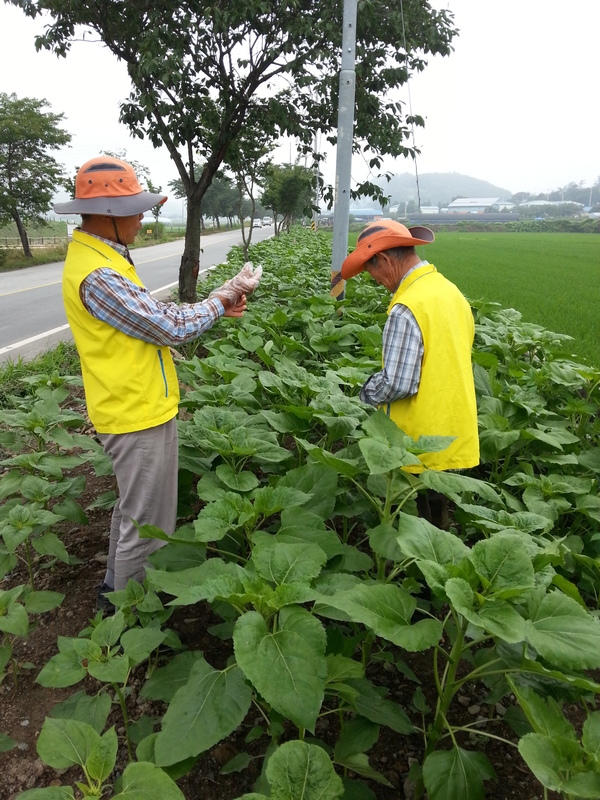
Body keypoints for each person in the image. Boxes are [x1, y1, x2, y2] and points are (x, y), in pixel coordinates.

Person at [54, 155, 262, 610]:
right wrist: (221, 299)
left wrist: (216, 301)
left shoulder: (104, 258)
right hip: (134, 414)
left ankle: (115, 591)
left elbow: (155, 317)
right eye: (136, 208)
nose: (142, 217)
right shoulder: (98, 274)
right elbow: (168, 328)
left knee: (135, 510)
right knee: (147, 523)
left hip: (136, 407)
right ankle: (128, 615)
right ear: (111, 215)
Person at [340, 220, 479, 522]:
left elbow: (399, 383)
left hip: (416, 439)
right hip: (451, 427)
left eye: (371, 270)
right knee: (436, 515)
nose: (375, 280)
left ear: (385, 260)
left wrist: (364, 393)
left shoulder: (407, 306)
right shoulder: (450, 291)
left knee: (414, 524)